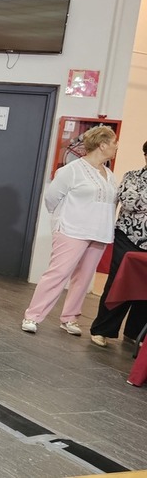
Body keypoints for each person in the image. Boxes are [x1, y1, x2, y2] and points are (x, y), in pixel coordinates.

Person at [22, 125, 118, 335]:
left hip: (99, 233)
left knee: (83, 279)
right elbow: (51, 199)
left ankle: (70, 318)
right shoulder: (71, 171)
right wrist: (63, 220)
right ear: (102, 145)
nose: (116, 146)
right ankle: (33, 316)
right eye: (113, 142)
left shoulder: (109, 174)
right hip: (72, 230)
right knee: (57, 274)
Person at [90, 140, 147, 346]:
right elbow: (131, 202)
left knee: (146, 288)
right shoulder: (132, 176)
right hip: (128, 238)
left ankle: (135, 333)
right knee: (118, 283)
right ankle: (102, 330)